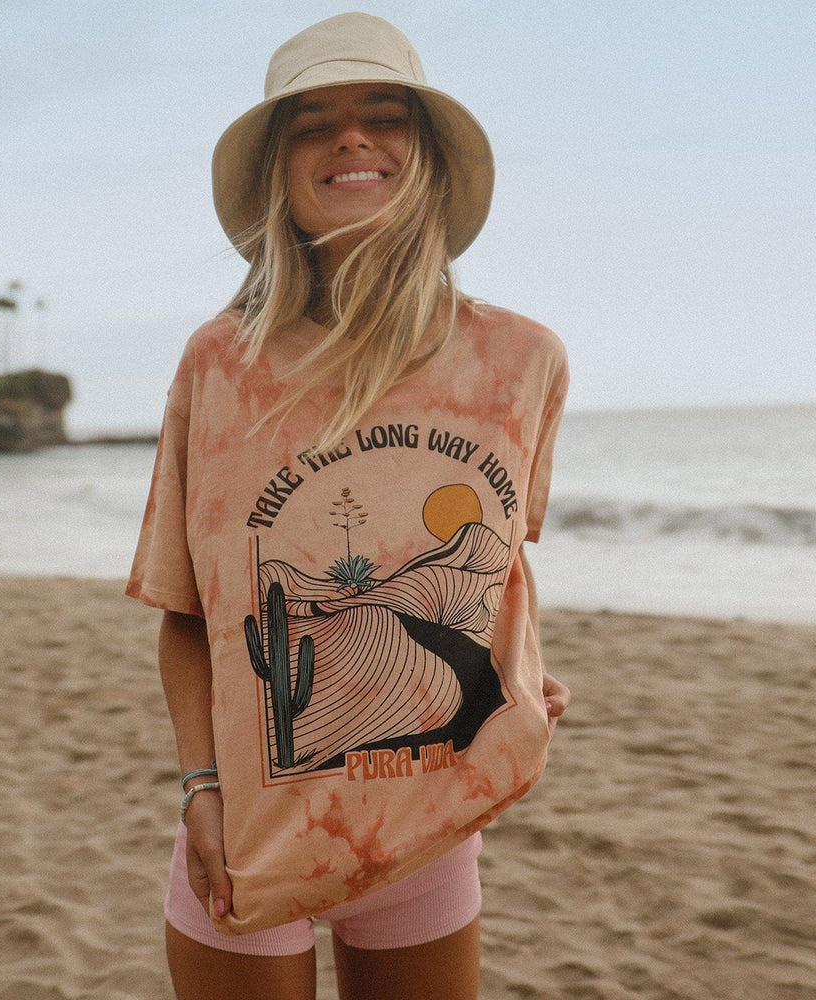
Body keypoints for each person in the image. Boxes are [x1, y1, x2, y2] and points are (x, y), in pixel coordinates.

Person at [127, 13, 570, 1000]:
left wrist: (523, 677)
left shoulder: (522, 360)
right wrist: (200, 789)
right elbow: (188, 612)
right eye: (314, 123)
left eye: (384, 115)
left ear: (426, 157)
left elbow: (498, 571)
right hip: (247, 839)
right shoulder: (221, 363)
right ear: (280, 169)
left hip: (430, 836)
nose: (352, 139)